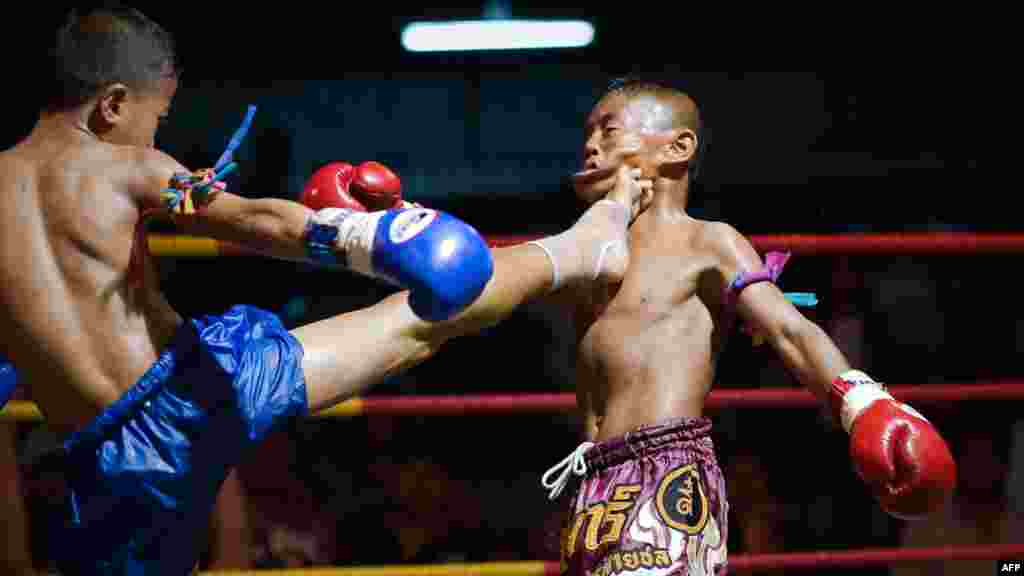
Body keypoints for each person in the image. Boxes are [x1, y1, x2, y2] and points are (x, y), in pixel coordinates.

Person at [0, 6, 649, 574]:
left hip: (102, 462)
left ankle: (583, 245)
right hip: (190, 399)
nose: (157, 136)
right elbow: (255, 218)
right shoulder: (125, 163)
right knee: (416, 322)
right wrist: (364, 235)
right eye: (156, 116)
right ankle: (583, 245)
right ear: (111, 104)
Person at [539, 78, 959, 576]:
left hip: (663, 473)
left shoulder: (707, 241)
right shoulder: (590, 253)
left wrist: (864, 406)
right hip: (591, 482)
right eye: (588, 134)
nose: (591, 145)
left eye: (609, 131)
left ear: (678, 147)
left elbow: (790, 330)